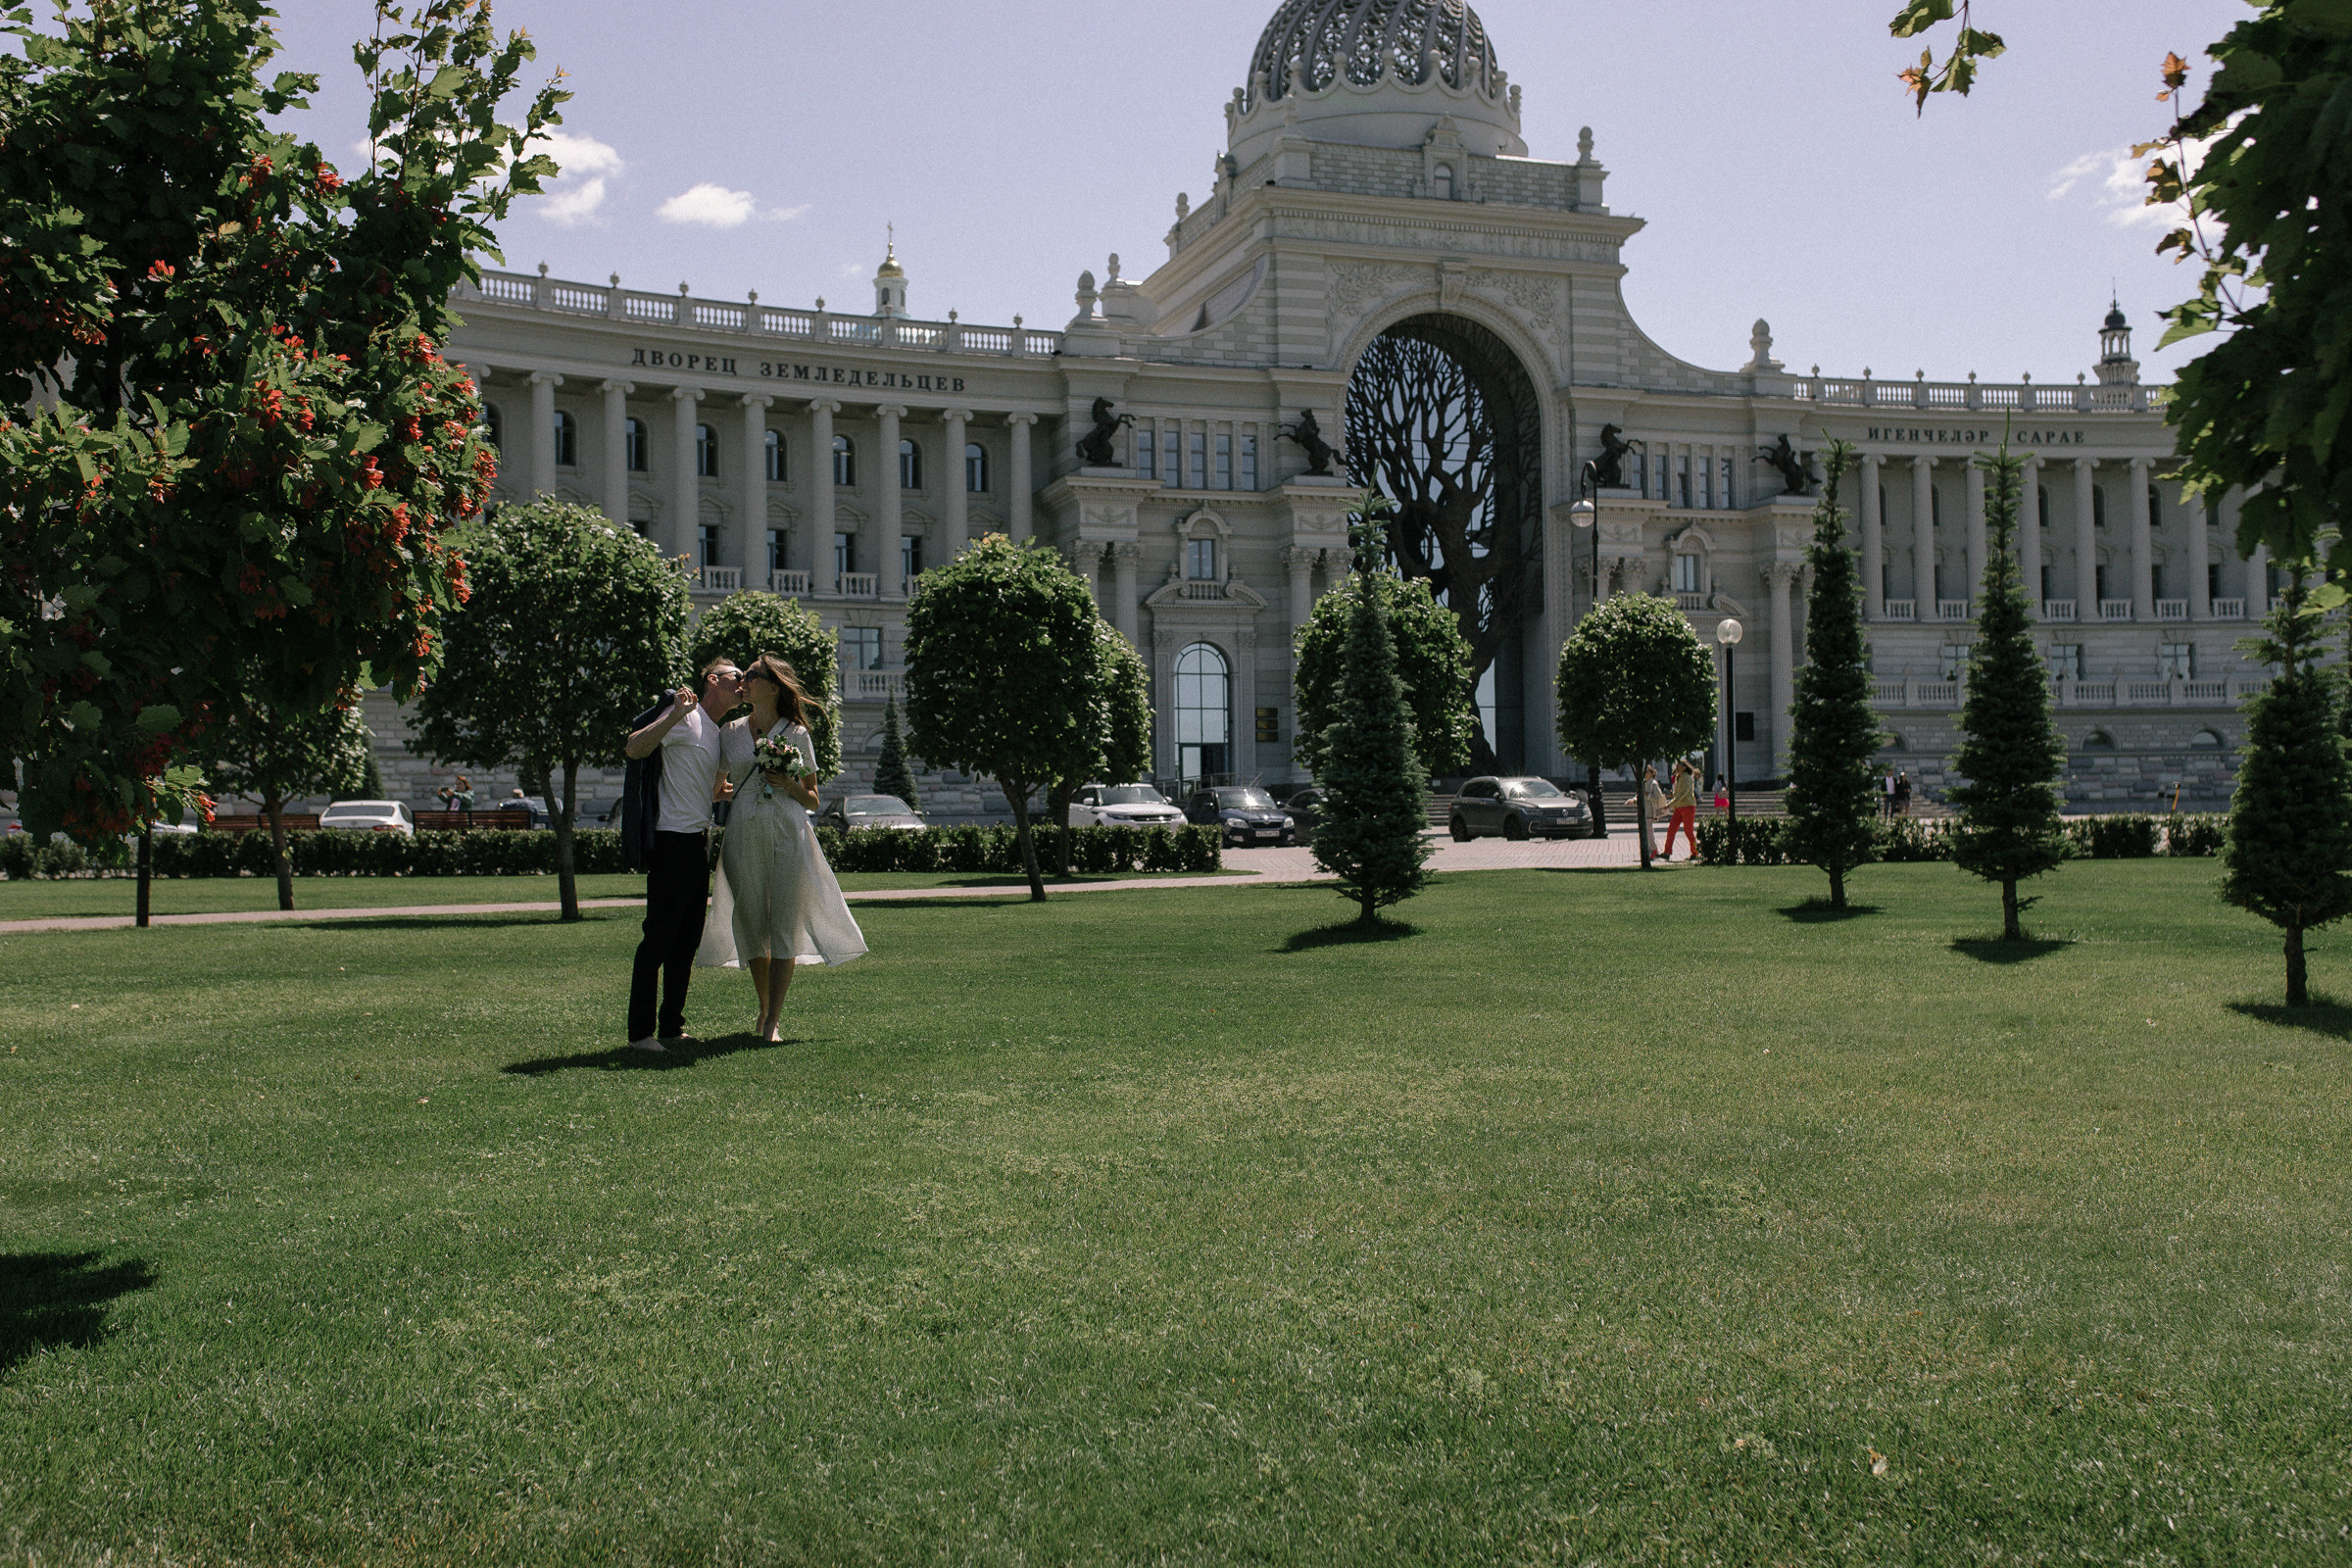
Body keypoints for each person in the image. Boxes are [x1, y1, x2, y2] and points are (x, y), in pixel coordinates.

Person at [699, 654, 866, 1041]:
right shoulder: (730, 732)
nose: (745, 679)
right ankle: (762, 1009)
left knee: (784, 922)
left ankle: (773, 1019)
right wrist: (725, 795)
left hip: (789, 834)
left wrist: (787, 784)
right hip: (743, 833)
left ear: (773, 687)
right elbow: (715, 785)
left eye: (753, 675)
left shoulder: (796, 734)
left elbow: (812, 799)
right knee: (753, 923)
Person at [620, 658, 745, 1053]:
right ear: (713, 680)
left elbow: (693, 786)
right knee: (658, 939)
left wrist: (717, 793)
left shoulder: (715, 732)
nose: (743, 683)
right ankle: (641, 1034)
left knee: (687, 940)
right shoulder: (681, 714)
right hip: (670, 841)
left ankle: (671, 1026)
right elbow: (635, 747)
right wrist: (674, 714)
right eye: (736, 677)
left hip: (698, 843)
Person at [1659, 758, 1699, 861]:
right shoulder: (1678, 778)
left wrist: (1670, 804)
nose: (1676, 767)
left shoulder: (1687, 778)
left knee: (1688, 831)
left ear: (1684, 767)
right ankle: (1667, 852)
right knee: (1671, 829)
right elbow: (1677, 793)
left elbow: (1683, 794)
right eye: (1676, 765)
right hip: (1679, 808)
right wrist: (1671, 794)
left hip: (1688, 807)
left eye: (1678, 766)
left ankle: (1695, 852)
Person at [1640, 764, 1669, 859]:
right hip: (1645, 810)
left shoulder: (1653, 783)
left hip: (1650, 811)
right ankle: (1650, 849)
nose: (1645, 774)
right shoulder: (1645, 783)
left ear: (1652, 773)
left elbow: (1658, 796)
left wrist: (1647, 795)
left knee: (1649, 831)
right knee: (1648, 831)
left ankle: (1654, 848)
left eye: (1647, 772)